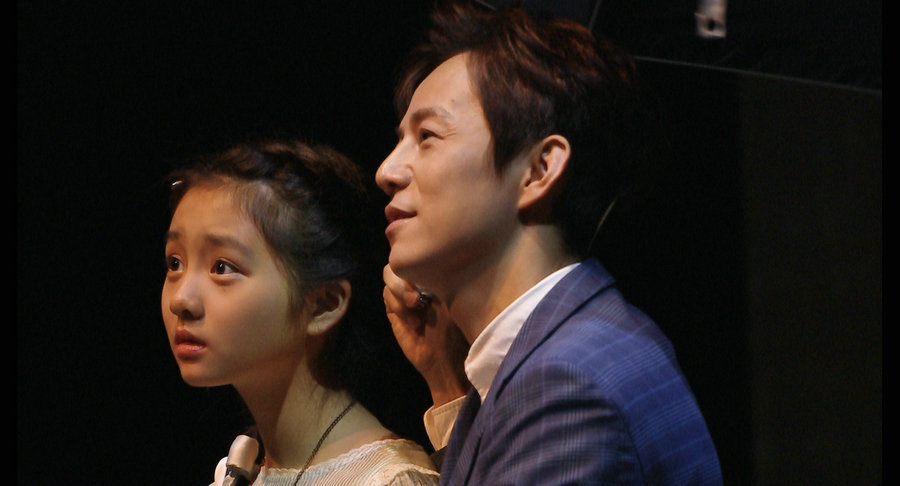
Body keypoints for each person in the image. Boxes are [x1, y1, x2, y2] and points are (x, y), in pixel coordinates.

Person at [376, 1, 724, 484]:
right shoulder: (568, 348)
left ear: (539, 170)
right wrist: (446, 380)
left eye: (428, 135)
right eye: (400, 140)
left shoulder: (566, 383)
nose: (387, 170)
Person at [160, 139, 440, 485]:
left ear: (324, 304)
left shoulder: (386, 479)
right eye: (175, 263)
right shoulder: (242, 468)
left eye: (222, 267)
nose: (181, 299)